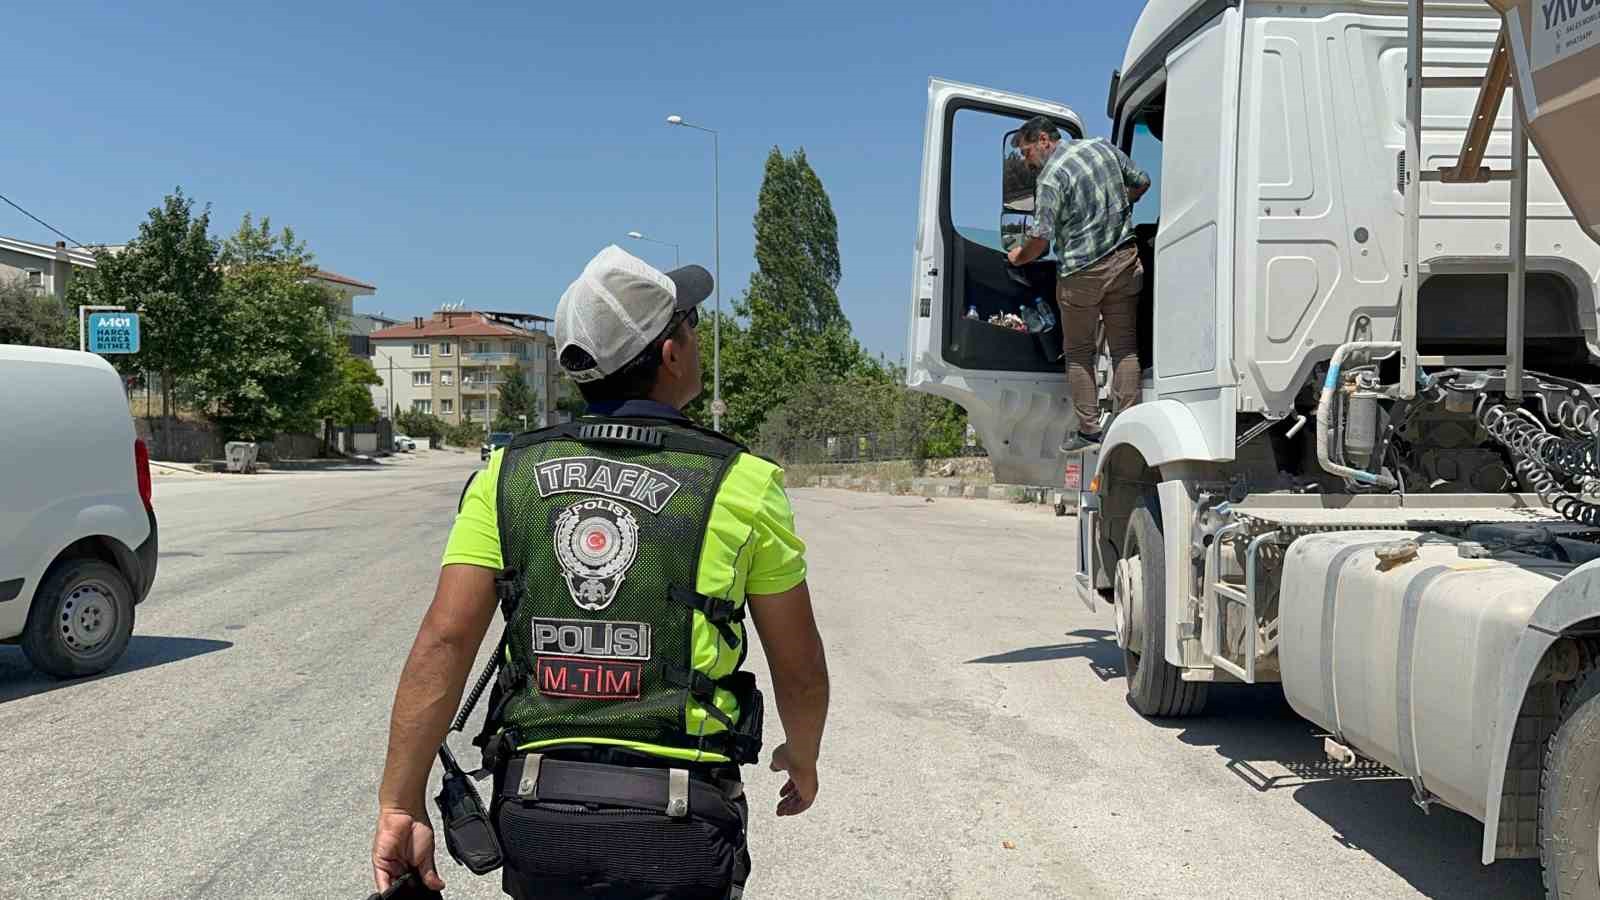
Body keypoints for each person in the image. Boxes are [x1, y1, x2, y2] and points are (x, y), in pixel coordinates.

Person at [372, 245, 831, 900]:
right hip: (682, 825)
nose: (697, 338)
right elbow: (800, 666)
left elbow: (444, 643)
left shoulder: (507, 474)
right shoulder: (742, 482)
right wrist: (803, 756)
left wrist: (401, 804)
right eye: (690, 325)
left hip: (537, 816)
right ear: (671, 354)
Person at [1006, 116, 1151, 451]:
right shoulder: (1103, 148)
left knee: (1078, 353)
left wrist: (1017, 257)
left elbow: (1040, 240)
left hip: (1081, 275)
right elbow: (1143, 181)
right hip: (1125, 263)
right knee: (1125, 348)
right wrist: (1117, 205)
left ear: (1043, 139)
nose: (1027, 162)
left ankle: (1089, 430)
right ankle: (1127, 424)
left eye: (1026, 152)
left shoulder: (1051, 178)